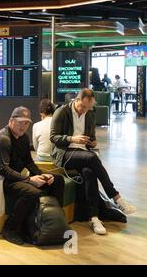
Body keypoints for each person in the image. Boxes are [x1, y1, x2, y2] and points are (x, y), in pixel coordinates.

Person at [50, 88, 136, 235]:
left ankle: (93, 217)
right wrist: (72, 139)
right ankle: (116, 197)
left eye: (88, 108)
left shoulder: (90, 114)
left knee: (89, 173)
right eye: (82, 107)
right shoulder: (62, 111)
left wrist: (93, 143)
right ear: (76, 100)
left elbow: (92, 138)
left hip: (83, 153)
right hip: (65, 154)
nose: (84, 110)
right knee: (92, 158)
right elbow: (53, 137)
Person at [0, 107, 64, 245]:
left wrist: (42, 175)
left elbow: (29, 162)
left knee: (57, 180)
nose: (24, 126)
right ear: (11, 121)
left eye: (27, 123)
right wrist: (29, 180)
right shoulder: (3, 139)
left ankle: (50, 222)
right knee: (32, 193)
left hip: (17, 176)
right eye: (21, 122)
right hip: (1, 179)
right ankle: (10, 228)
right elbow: (4, 170)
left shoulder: (23, 138)